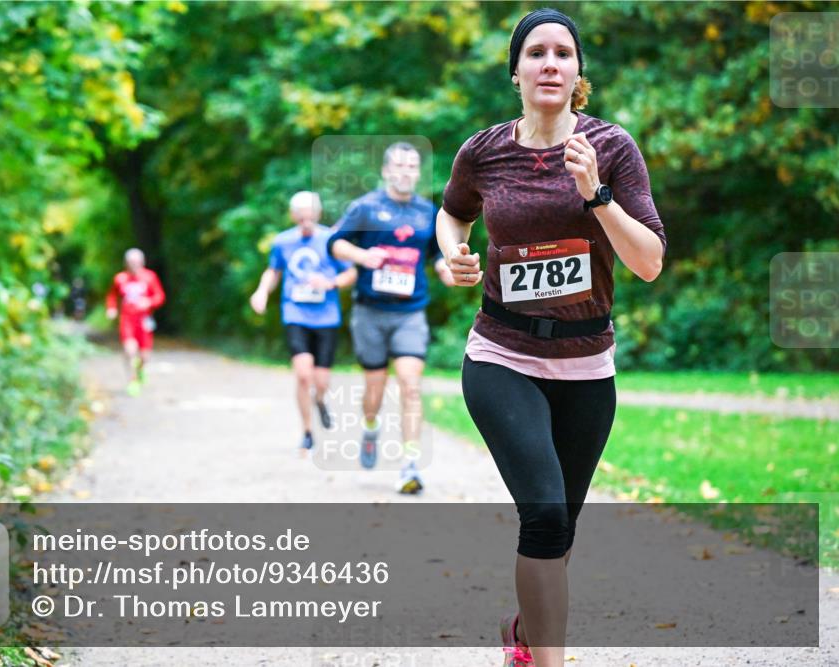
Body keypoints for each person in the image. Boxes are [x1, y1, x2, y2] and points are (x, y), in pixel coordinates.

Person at [436, 8, 666, 666]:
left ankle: (526, 635)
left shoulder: (611, 148)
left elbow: (649, 262)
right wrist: (453, 255)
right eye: (535, 52)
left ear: (577, 72)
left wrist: (596, 193)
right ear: (515, 71)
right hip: (501, 354)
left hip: (586, 364)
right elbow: (451, 216)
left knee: (560, 529)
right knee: (542, 515)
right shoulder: (483, 151)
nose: (549, 64)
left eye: (563, 53)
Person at [328, 142, 456, 494]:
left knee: (410, 385)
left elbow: (436, 253)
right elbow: (335, 243)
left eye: (412, 166)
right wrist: (362, 256)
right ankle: (371, 426)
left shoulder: (427, 212)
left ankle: (410, 464)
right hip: (370, 312)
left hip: (409, 313)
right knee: (375, 388)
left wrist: (444, 268)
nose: (405, 172)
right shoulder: (366, 207)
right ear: (386, 171)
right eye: (399, 165)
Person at [250, 191, 357, 450]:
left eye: (310, 217)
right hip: (295, 313)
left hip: (326, 317)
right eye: (301, 218)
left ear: (318, 214)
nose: (306, 223)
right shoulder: (282, 241)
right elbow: (273, 271)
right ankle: (307, 431)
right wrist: (262, 291)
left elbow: (351, 273)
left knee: (321, 381)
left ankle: (320, 400)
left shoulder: (331, 240)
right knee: (302, 375)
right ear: (293, 216)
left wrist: (330, 283)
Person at [106, 248, 166, 396]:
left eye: (137, 262)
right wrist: (111, 308)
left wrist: (149, 302)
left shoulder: (150, 277)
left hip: (144, 321)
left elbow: (160, 296)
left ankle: (140, 371)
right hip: (127, 320)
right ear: (126, 263)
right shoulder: (120, 278)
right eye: (131, 262)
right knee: (130, 350)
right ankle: (132, 381)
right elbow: (111, 296)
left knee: (145, 356)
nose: (134, 265)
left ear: (142, 262)